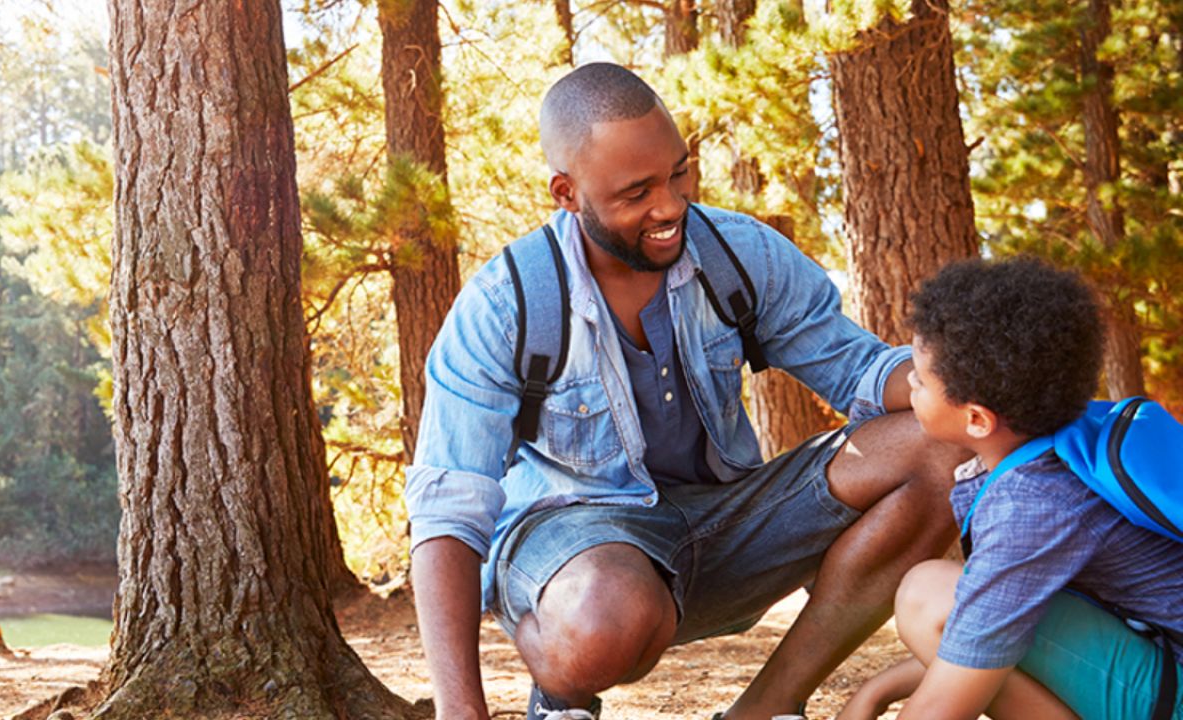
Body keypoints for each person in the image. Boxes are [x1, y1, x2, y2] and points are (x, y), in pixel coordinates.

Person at [404, 62, 965, 720]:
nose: (669, 205)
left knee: (941, 447)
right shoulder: (507, 304)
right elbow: (447, 516)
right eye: (636, 192)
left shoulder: (739, 254)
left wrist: (961, 378)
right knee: (604, 614)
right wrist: (459, 712)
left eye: (678, 172)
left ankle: (767, 706)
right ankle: (560, 699)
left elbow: (859, 370)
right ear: (566, 192)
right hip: (582, 553)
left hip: (727, 525)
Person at [837, 258, 1183, 720]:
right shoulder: (1068, 442)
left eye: (920, 378)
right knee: (940, 595)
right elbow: (1000, 623)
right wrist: (878, 688)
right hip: (1157, 663)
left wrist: (879, 697)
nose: (910, 384)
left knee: (929, 597)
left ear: (976, 419)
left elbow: (943, 704)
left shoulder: (1033, 503)